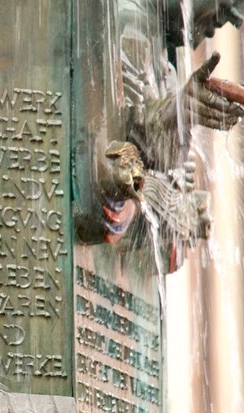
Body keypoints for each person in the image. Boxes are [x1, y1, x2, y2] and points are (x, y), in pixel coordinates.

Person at [83, 0, 244, 272]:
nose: (218, 26)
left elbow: (156, 162)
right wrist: (177, 113)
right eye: (223, 7)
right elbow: (112, 153)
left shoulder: (162, 58)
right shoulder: (130, 27)